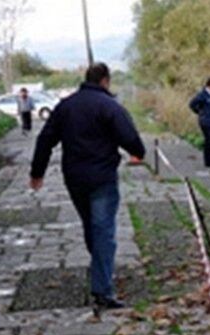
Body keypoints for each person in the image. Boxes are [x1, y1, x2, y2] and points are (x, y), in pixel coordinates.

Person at [29, 63, 146, 310]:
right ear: (105, 80)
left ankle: (100, 272)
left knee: (91, 226)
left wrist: (37, 172)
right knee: (103, 230)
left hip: (74, 177)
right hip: (102, 176)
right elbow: (128, 136)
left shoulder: (66, 106)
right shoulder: (109, 106)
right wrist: (139, 152)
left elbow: (45, 139)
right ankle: (102, 288)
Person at [189, 78, 210, 168]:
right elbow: (192, 104)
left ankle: (209, 161)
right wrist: (199, 112)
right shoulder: (203, 94)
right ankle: (209, 162)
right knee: (209, 141)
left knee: (209, 142)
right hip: (205, 121)